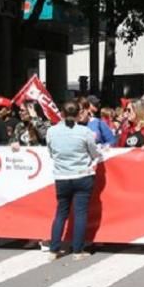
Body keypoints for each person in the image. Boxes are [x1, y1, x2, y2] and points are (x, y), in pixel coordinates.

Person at [46, 100, 100, 260]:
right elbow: (94, 153)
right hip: (82, 175)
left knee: (61, 213)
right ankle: (77, 251)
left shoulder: (51, 131)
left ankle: (53, 249)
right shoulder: (85, 132)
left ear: (61, 114)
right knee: (80, 213)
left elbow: (51, 152)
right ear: (78, 114)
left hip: (62, 177)